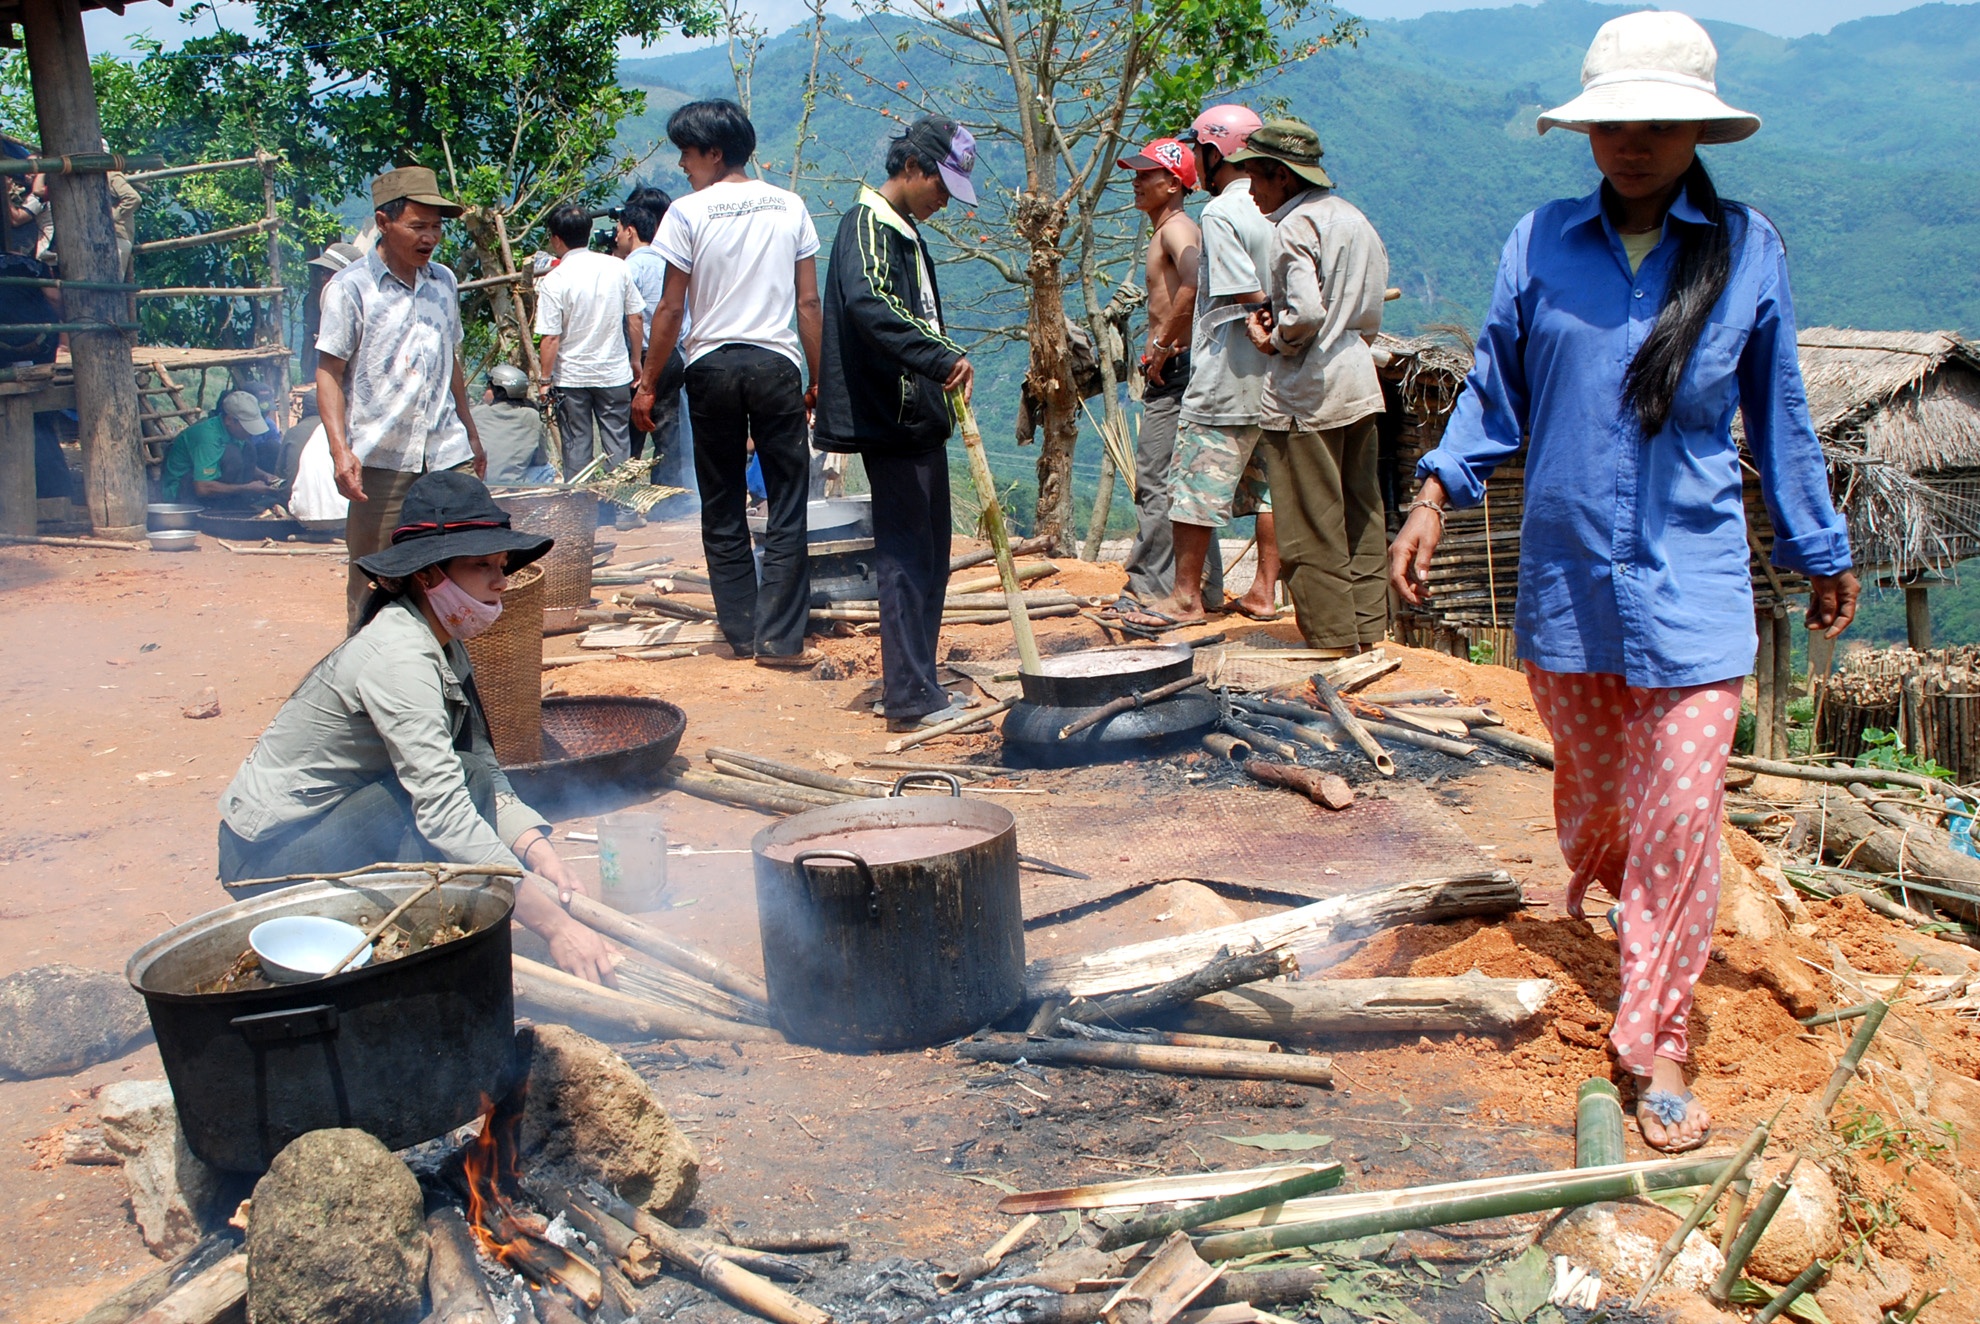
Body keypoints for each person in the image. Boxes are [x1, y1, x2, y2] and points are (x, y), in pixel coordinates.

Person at [1392, 12, 1860, 1152]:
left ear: (1698, 131)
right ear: (1586, 131)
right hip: (1566, 589)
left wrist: (1818, 542)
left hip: (1695, 586)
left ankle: (1657, 1033)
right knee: (1600, 812)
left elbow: (1779, 413)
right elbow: (1493, 392)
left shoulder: (1747, 251)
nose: (1634, 144)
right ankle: (1626, 901)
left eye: (1658, 124)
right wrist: (1433, 492)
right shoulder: (1540, 242)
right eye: (1613, 125)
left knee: (1683, 815)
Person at [216, 471, 617, 985]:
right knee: (450, 795)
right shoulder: (399, 656)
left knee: (470, 775)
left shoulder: (441, 639)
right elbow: (446, 810)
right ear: (429, 577)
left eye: (501, 565)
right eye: (481, 566)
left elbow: (486, 769)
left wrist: (542, 855)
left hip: (328, 827)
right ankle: (417, 955)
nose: (501, 580)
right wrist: (555, 925)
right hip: (269, 861)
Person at [633, 99, 824, 667]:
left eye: (688, 154)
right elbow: (807, 303)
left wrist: (647, 383)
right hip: (775, 365)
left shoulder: (688, 214)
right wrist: (820, 378)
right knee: (788, 503)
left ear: (714, 153)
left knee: (721, 505)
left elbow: (670, 310)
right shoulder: (789, 206)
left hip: (711, 369)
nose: (684, 166)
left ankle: (741, 632)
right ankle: (781, 639)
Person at [815, 116, 979, 732]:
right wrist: (940, 359)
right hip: (894, 418)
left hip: (918, 419)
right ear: (912, 168)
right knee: (908, 558)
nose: (943, 200)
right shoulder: (868, 225)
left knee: (929, 556)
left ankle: (919, 681)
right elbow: (870, 304)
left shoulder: (901, 229)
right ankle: (910, 694)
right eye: (941, 185)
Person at [1231, 120, 1390, 653]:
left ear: (1280, 175)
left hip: (1310, 393)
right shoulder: (1354, 219)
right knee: (1361, 510)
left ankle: (1331, 637)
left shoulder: (1294, 229)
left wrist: (1272, 336)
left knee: (1309, 519)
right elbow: (1364, 312)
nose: (1251, 190)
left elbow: (1304, 315)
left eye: (1255, 176)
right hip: (1358, 378)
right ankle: (1368, 628)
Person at [317, 167, 486, 633]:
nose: (429, 237)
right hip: (383, 457)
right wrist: (340, 450)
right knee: (375, 572)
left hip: (446, 451)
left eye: (436, 226)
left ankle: (454, 667)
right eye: (418, 226)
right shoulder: (351, 289)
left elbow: (450, 356)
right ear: (384, 222)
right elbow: (329, 372)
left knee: (467, 558)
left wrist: (470, 430)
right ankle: (365, 668)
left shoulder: (444, 282)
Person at [1150, 105, 1284, 627]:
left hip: (1228, 372)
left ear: (1216, 151)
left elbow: (1240, 289)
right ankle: (1264, 593)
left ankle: (1185, 598)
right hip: (1276, 382)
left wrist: (1261, 312)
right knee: (1270, 489)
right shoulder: (1277, 208)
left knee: (1195, 484)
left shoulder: (1222, 213)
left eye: (1200, 150)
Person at [1115, 138, 1217, 620]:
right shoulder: (1167, 230)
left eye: (1145, 175)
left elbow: (1195, 277)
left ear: (1173, 183)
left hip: (1175, 370)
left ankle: (1150, 585)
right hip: (1178, 369)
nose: (1135, 182)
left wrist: (1160, 345)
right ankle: (1205, 590)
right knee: (1184, 482)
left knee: (1155, 480)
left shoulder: (1177, 229)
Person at [535, 204, 644, 488]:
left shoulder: (555, 279)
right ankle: (625, 509)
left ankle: (580, 514)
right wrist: (635, 359)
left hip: (571, 379)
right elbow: (635, 317)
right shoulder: (617, 267)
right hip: (613, 373)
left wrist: (545, 381)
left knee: (576, 446)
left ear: (556, 239)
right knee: (617, 441)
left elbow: (550, 338)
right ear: (589, 232)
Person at [614, 197, 689, 485]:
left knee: (628, 432)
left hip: (641, 356)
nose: (616, 236)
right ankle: (667, 495)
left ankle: (624, 496)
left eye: (619, 230)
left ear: (630, 231)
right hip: (672, 354)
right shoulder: (671, 265)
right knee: (667, 429)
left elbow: (628, 318)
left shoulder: (627, 269)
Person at [159, 390, 283, 507]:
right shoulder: (207, 438)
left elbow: (247, 464)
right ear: (229, 420)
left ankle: (235, 504)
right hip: (183, 492)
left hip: (210, 484)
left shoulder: (235, 433)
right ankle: (219, 508)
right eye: (245, 426)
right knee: (232, 454)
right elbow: (202, 487)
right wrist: (247, 488)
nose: (250, 433)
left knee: (249, 448)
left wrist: (265, 476)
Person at [472, 364, 558, 485]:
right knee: (548, 469)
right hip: (513, 485)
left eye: (488, 387)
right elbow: (540, 459)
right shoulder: (532, 416)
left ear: (497, 390)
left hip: (479, 482)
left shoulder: (476, 413)